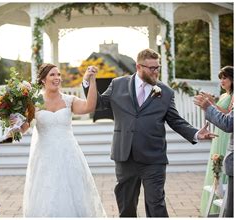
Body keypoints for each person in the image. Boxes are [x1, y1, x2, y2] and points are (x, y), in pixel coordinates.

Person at [82, 48, 215, 217]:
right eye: (152, 68)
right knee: (126, 206)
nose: (155, 72)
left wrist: (196, 133)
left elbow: (175, 120)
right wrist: (88, 83)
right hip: (125, 156)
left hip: (153, 157)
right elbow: (98, 104)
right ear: (139, 67)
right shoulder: (118, 84)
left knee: (156, 204)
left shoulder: (165, 92)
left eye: (157, 67)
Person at [22, 63, 106, 217]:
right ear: (43, 80)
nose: (57, 78)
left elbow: (89, 106)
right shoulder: (34, 102)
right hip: (44, 156)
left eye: (59, 75)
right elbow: (24, 127)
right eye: (52, 75)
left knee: (72, 192)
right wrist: (14, 119)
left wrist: (91, 80)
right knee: (47, 194)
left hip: (68, 154)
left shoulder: (69, 100)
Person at [194, 69, 234, 218]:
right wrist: (212, 104)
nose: (222, 81)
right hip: (221, 130)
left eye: (226, 78)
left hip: (226, 133)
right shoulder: (224, 95)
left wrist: (210, 105)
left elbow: (228, 116)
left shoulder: (233, 95)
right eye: (221, 78)